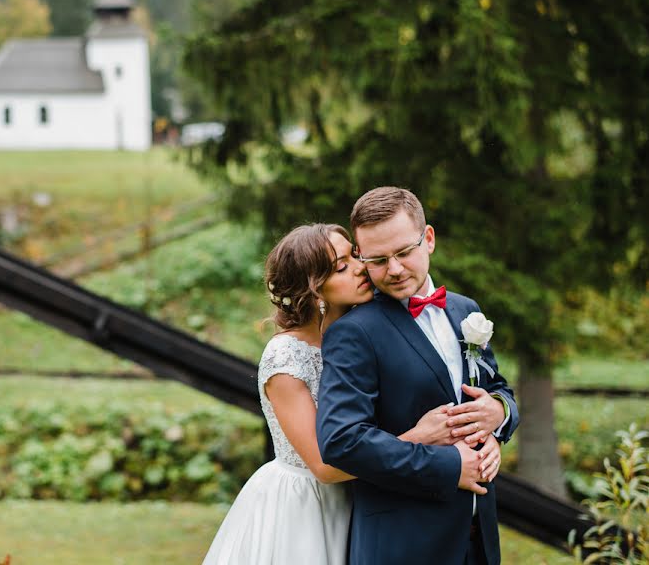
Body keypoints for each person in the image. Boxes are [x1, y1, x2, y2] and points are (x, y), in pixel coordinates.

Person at [203, 223, 503, 565]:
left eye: (354, 256)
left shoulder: (370, 328)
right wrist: (420, 437)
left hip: (367, 498)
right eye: (342, 267)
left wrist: (487, 426)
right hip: (307, 505)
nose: (361, 268)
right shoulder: (286, 357)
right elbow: (325, 465)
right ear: (314, 289)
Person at [316, 187, 519, 565]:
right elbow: (342, 441)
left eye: (404, 253)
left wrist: (498, 415)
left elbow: (497, 388)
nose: (393, 270)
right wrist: (450, 466)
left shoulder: (465, 309)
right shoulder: (355, 332)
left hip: (479, 538)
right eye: (377, 259)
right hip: (403, 543)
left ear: (428, 239)